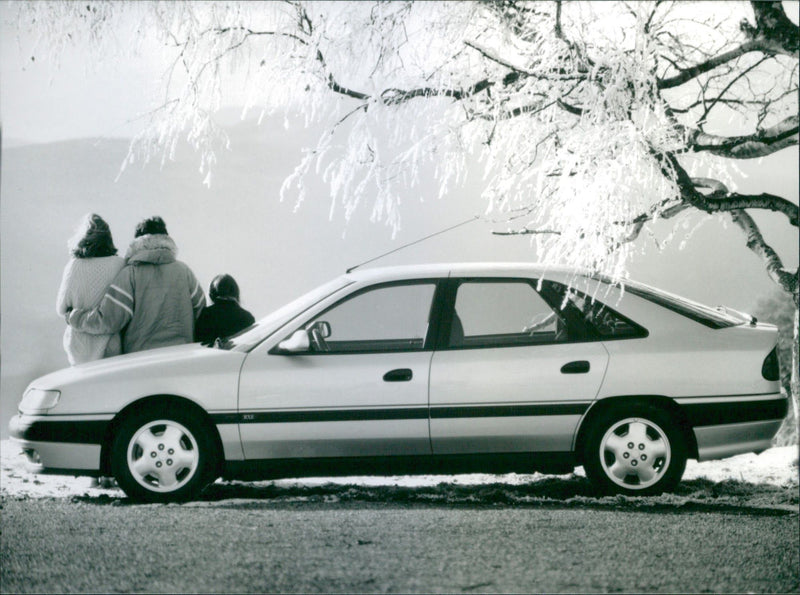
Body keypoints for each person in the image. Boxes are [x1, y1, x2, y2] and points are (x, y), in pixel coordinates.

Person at [67, 216, 206, 353]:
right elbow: (200, 311)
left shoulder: (130, 275)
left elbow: (109, 321)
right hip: (183, 355)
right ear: (167, 240)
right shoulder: (184, 271)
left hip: (142, 362)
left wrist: (74, 317)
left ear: (137, 242)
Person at [56, 214, 126, 365]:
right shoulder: (120, 265)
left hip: (79, 347)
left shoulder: (73, 266)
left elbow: (61, 309)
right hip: (111, 346)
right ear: (108, 239)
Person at [195, 274, 255, 344]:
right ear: (236, 293)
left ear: (211, 295)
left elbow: (198, 345)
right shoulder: (247, 317)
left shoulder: (206, 315)